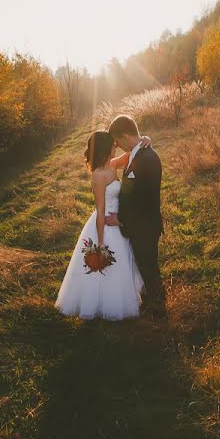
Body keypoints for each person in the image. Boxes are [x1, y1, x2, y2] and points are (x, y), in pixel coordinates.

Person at [54, 130, 150, 320]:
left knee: (122, 264)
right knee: (106, 267)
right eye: (113, 145)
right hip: (104, 224)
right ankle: (104, 304)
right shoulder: (98, 175)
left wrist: (145, 139)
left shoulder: (112, 165)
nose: (116, 147)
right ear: (105, 149)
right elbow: (99, 211)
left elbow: (131, 153)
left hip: (117, 222)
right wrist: (100, 242)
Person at [104, 115, 166, 318]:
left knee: (149, 267)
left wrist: (121, 220)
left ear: (125, 136)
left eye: (118, 141)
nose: (118, 146)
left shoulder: (147, 159)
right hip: (140, 225)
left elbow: (142, 201)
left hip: (145, 226)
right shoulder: (136, 152)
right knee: (144, 265)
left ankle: (158, 310)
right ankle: (152, 300)